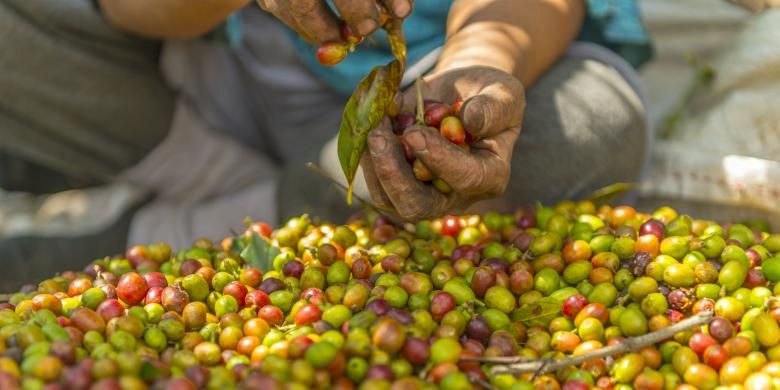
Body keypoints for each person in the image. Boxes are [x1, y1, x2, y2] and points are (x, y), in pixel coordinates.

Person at [0, 0, 651, 289]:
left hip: (418, 91)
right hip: (205, 84)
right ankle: (242, 193)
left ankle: (167, 233)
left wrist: (476, 63)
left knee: (594, 121)